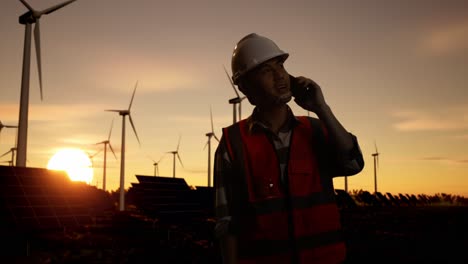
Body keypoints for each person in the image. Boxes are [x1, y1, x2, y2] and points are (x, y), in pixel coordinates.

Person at [214, 33, 365, 264]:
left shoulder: (316, 129)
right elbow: (227, 223)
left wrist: (321, 108)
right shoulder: (231, 143)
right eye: (266, 70)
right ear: (245, 87)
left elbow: (354, 164)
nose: (280, 76)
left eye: (281, 65)